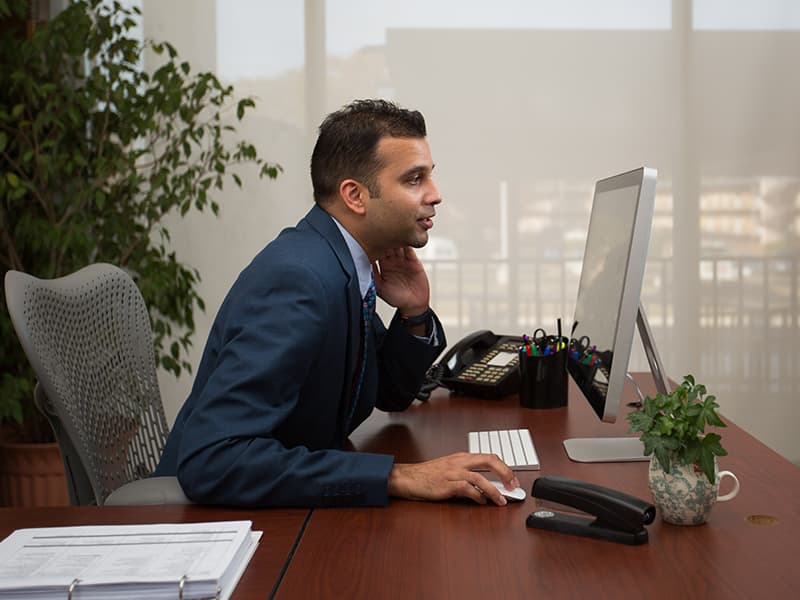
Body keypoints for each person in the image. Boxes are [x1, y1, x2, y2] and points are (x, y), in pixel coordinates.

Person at [154, 99, 518, 507]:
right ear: (355, 196)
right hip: (207, 525)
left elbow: (390, 394)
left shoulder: (343, 262)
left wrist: (413, 314)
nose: (435, 195)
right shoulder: (299, 279)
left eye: (429, 177)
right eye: (415, 179)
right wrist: (396, 477)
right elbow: (214, 460)